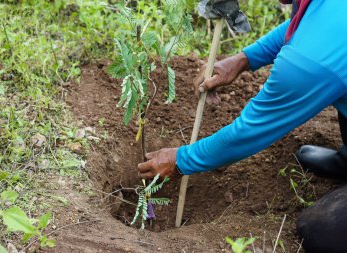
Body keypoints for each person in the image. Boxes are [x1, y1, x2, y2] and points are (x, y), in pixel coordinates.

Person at [137, 0, 347, 252]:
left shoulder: (308, 64)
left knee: (321, 232)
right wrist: (243, 59)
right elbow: (306, 24)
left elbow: (250, 132)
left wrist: (182, 159)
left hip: (318, 66)